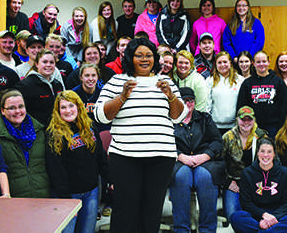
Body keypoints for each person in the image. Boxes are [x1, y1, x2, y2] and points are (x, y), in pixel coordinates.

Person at [94, 37, 186, 232]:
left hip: (161, 157)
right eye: (139, 55)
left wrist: (170, 95)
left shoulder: (166, 81)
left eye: (149, 55)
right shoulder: (118, 80)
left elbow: (179, 116)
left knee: (152, 211)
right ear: (130, 57)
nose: (144, 59)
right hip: (126, 157)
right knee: (125, 210)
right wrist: (122, 97)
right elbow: (101, 116)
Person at [46, 90, 110, 233]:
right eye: (63, 107)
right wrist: (66, 200)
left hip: (91, 192)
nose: (68, 110)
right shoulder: (54, 134)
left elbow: (100, 157)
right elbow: (56, 170)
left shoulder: (90, 126)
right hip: (68, 196)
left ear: (78, 107)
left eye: (71, 106)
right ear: (57, 111)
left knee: (87, 230)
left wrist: (110, 179)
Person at [170, 87, 224, 233]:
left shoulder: (205, 118)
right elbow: (163, 142)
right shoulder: (169, 120)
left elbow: (217, 142)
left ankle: (207, 229)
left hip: (205, 161)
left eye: (191, 101)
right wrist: (181, 156)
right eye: (184, 100)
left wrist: (205, 156)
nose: (188, 104)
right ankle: (181, 229)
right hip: (178, 161)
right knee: (181, 177)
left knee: (204, 177)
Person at [230, 138, 287, 233]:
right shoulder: (247, 173)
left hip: (278, 216)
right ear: (257, 153)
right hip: (256, 216)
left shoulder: (285, 173)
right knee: (236, 217)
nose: (265, 155)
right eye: (262, 151)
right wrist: (263, 215)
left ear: (274, 154)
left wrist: (272, 219)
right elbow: (246, 203)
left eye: (269, 152)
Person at [0, 89, 50, 198]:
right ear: (2, 110)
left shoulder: (39, 131)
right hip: (14, 200)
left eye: (21, 106)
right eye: (11, 108)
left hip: (43, 197)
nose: (17, 111)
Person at [221, 106, 269, 219]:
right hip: (235, 183)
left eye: (249, 119)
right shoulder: (228, 137)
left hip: (257, 183)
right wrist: (228, 182)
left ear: (254, 120)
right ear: (237, 120)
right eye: (243, 119)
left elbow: (272, 162)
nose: (246, 123)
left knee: (259, 215)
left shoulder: (262, 137)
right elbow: (218, 163)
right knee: (232, 216)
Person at [237, 51, 287, 139]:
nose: (261, 64)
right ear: (253, 63)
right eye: (258, 62)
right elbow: (242, 106)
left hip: (274, 127)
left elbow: (284, 107)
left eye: (264, 61)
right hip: (253, 127)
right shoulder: (247, 83)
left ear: (268, 62)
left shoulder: (278, 81)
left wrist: (281, 128)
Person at [15, 49, 64, 127]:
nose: (48, 65)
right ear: (37, 64)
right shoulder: (25, 85)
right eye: (44, 62)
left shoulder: (57, 84)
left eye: (51, 62)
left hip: (55, 128)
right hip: (36, 131)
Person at [206, 52, 245, 135]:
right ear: (215, 64)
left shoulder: (240, 80)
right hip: (215, 127)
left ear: (230, 63)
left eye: (225, 62)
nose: (222, 65)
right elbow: (207, 105)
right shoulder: (209, 81)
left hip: (235, 127)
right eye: (219, 63)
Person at [72, 63, 106, 132]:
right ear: (81, 77)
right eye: (87, 76)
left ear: (98, 77)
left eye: (93, 75)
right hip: (80, 131)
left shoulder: (103, 94)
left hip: (100, 131)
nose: (90, 79)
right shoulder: (73, 94)